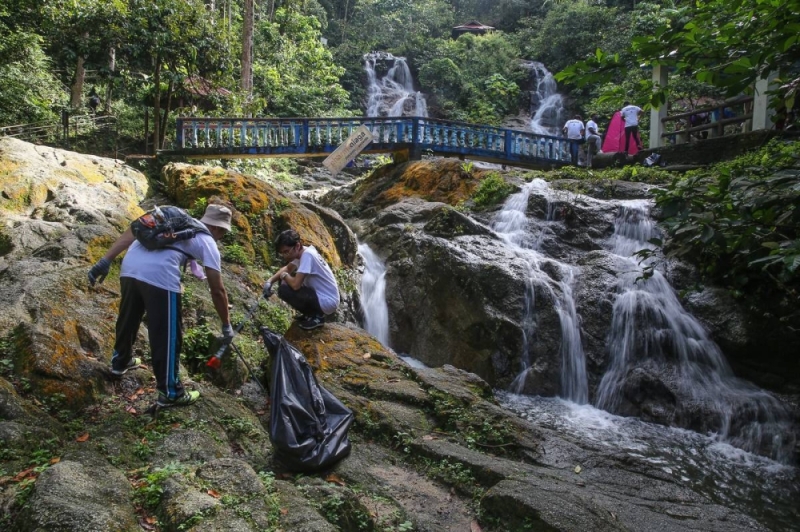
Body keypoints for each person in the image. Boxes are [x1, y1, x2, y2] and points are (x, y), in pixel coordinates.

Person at [87, 204, 234, 408]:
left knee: (129, 317)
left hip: (130, 267)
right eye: (223, 234)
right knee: (166, 334)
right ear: (218, 228)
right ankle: (170, 392)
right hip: (160, 277)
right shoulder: (207, 240)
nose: (221, 238)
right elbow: (217, 290)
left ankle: (120, 362)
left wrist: (106, 259)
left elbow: (133, 231)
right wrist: (226, 324)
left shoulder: (169, 221)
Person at [263, 229, 340, 330]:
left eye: (286, 251)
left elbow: (295, 285)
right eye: (282, 253)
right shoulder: (302, 253)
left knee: (284, 289)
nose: (285, 256)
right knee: (284, 283)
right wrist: (270, 281)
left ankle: (317, 318)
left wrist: (285, 276)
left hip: (327, 300)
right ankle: (310, 315)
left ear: (297, 246)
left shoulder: (307, 255)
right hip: (322, 296)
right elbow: (288, 268)